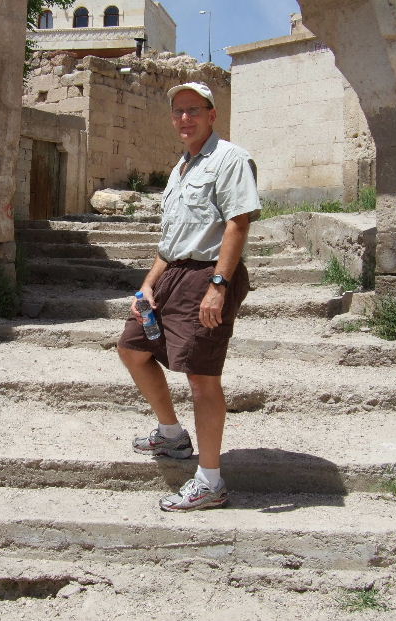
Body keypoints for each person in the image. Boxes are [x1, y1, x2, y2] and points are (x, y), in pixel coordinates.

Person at [117, 81, 260, 511]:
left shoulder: (229, 159)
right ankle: (173, 435)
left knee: (201, 376)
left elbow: (237, 223)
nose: (185, 118)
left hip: (207, 276)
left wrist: (219, 286)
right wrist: (147, 283)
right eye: (178, 111)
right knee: (132, 347)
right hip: (171, 274)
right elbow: (172, 239)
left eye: (193, 110)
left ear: (212, 115)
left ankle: (210, 481)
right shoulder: (182, 167)